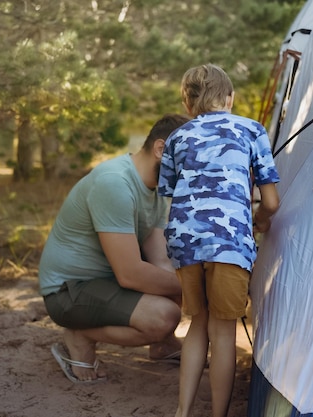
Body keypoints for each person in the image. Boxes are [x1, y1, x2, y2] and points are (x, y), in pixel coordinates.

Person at [157, 64, 280, 417]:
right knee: (223, 330)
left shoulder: (178, 137)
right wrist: (257, 222)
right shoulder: (252, 130)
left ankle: (182, 411)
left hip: (184, 239)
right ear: (230, 98)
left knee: (198, 321)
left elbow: (169, 191)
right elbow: (271, 202)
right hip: (229, 241)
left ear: (188, 101)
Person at [39, 113, 190, 384]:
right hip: (68, 290)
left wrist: (193, 278)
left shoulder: (155, 190)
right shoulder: (115, 183)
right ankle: (79, 336)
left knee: (176, 270)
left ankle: (163, 344)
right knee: (164, 315)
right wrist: (194, 287)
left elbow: (161, 261)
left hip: (104, 282)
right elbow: (130, 274)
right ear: (161, 149)